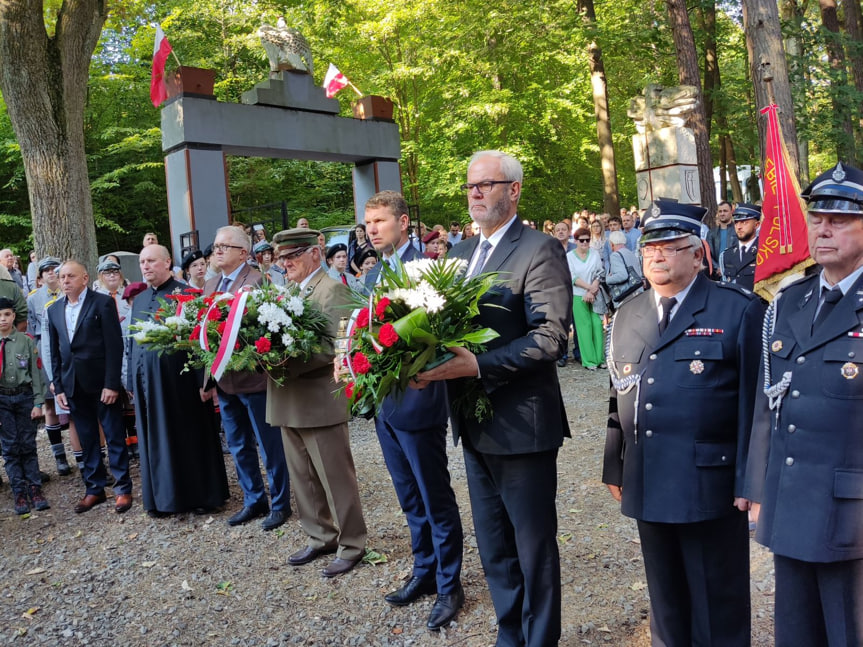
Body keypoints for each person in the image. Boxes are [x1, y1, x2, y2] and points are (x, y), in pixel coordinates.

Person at [416, 150, 571, 646]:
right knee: (494, 547)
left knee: (532, 549)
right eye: (470, 186)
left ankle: (540, 639)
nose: (476, 193)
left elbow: (550, 337)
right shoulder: (459, 255)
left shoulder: (539, 249)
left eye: (487, 184)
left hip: (522, 425)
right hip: (472, 422)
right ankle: (510, 634)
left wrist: (479, 364)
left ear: (514, 190)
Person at [603, 199, 763, 646]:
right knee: (666, 600)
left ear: (698, 254)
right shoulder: (630, 314)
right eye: (651, 246)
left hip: (709, 483)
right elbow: (620, 392)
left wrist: (751, 479)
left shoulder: (738, 310)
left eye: (671, 246)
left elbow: (755, 404)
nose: (657, 255)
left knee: (718, 601)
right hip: (649, 476)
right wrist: (615, 463)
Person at [744, 161, 863, 646]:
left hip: (853, 514)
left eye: (840, 219)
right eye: (817, 218)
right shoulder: (788, 302)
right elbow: (766, 402)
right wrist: (756, 484)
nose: (824, 228)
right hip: (791, 502)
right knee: (796, 633)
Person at [361, 191, 464, 630]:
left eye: (380, 221)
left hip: (421, 403)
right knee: (408, 497)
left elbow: (444, 337)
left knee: (434, 496)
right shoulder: (372, 275)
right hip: (387, 406)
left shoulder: (430, 270)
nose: (372, 229)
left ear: (403, 223)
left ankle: (449, 585)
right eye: (367, 223)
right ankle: (423, 571)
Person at [266, 228, 367, 578]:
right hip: (289, 397)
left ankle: (352, 543)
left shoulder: (332, 289)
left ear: (313, 253)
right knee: (303, 478)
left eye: (291, 256)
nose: (285, 263)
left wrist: (283, 359)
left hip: (319, 399)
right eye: (281, 258)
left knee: (335, 477)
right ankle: (320, 535)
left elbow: (338, 346)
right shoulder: (291, 290)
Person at [128, 244, 229, 517]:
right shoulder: (138, 300)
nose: (146, 266)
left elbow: (201, 341)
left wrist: (205, 382)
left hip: (182, 385)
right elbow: (132, 344)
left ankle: (200, 496)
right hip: (147, 384)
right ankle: (162, 498)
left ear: (167, 262)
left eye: (151, 261)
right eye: (142, 262)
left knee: (188, 437)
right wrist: (130, 381)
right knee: (155, 441)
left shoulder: (186, 295)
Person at [206, 226, 292, 531]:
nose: (217, 251)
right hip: (224, 380)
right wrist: (208, 381)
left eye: (223, 246)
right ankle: (254, 499)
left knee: (269, 445)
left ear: (243, 253)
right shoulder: (211, 284)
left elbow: (268, 330)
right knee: (239, 444)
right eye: (215, 246)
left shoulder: (257, 281)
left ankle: (280, 503)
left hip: (254, 380)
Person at [47, 260, 133, 514]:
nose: (65, 281)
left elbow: (114, 346)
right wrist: (59, 386)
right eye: (62, 277)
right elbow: (55, 351)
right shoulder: (53, 310)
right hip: (73, 384)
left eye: (70, 276)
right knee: (87, 438)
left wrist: (111, 383)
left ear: (84, 279)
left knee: (114, 435)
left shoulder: (102, 303)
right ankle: (94, 489)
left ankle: (122, 489)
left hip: (101, 383)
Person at [0, 296, 49, 515]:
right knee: (10, 448)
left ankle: (35, 488)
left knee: (28, 444)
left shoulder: (26, 341)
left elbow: (36, 374)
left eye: (7, 314)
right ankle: (18, 491)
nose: (3, 319)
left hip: (24, 397)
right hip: (2, 400)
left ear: (14, 316)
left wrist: (38, 402)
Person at [567, 227, 605, 370]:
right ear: (576, 241)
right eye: (581, 240)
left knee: (596, 324)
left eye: (587, 240)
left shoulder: (594, 253)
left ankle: (599, 358)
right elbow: (572, 277)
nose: (584, 243)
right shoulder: (570, 256)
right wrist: (588, 288)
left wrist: (592, 289)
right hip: (578, 294)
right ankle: (589, 361)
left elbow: (599, 273)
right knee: (584, 327)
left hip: (595, 293)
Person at [721, 203, 761, 291]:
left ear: (757, 225)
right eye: (736, 222)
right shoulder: (726, 255)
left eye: (744, 222)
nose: (739, 227)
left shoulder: (764, 251)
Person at [605, 230, 644, 308]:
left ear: (611, 243)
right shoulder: (631, 253)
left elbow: (622, 275)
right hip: (638, 294)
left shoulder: (615, 255)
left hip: (625, 298)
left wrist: (608, 279)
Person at [706, 201, 738, 278]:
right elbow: (708, 254)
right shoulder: (711, 233)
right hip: (716, 274)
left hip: (735, 273)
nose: (722, 213)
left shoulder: (737, 231)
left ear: (731, 212)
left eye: (725, 211)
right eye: (720, 211)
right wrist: (717, 268)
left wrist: (728, 269)